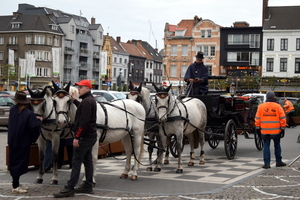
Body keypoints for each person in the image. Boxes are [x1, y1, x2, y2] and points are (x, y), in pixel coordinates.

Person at [54, 79, 97, 198]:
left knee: (76, 161)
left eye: (81, 87)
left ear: (88, 88)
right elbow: (83, 109)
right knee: (88, 161)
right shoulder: (88, 100)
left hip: (84, 136)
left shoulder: (87, 102)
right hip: (90, 136)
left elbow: (83, 122)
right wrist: (75, 101)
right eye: (78, 87)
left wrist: (77, 137)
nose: (78, 89)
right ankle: (88, 185)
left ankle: (69, 188)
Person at [7, 91, 43, 193]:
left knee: (14, 162)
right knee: (20, 163)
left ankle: (16, 183)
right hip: (22, 142)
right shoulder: (28, 113)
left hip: (13, 140)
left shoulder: (13, 110)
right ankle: (15, 186)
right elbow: (33, 127)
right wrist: (39, 121)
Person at [255, 91, 287, 169]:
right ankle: (278, 161)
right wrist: (282, 128)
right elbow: (282, 118)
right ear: (274, 97)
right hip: (276, 130)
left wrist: (258, 127)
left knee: (266, 146)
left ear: (266, 97)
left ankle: (267, 163)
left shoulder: (261, 106)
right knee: (277, 145)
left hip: (265, 130)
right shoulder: (278, 106)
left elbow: (257, 118)